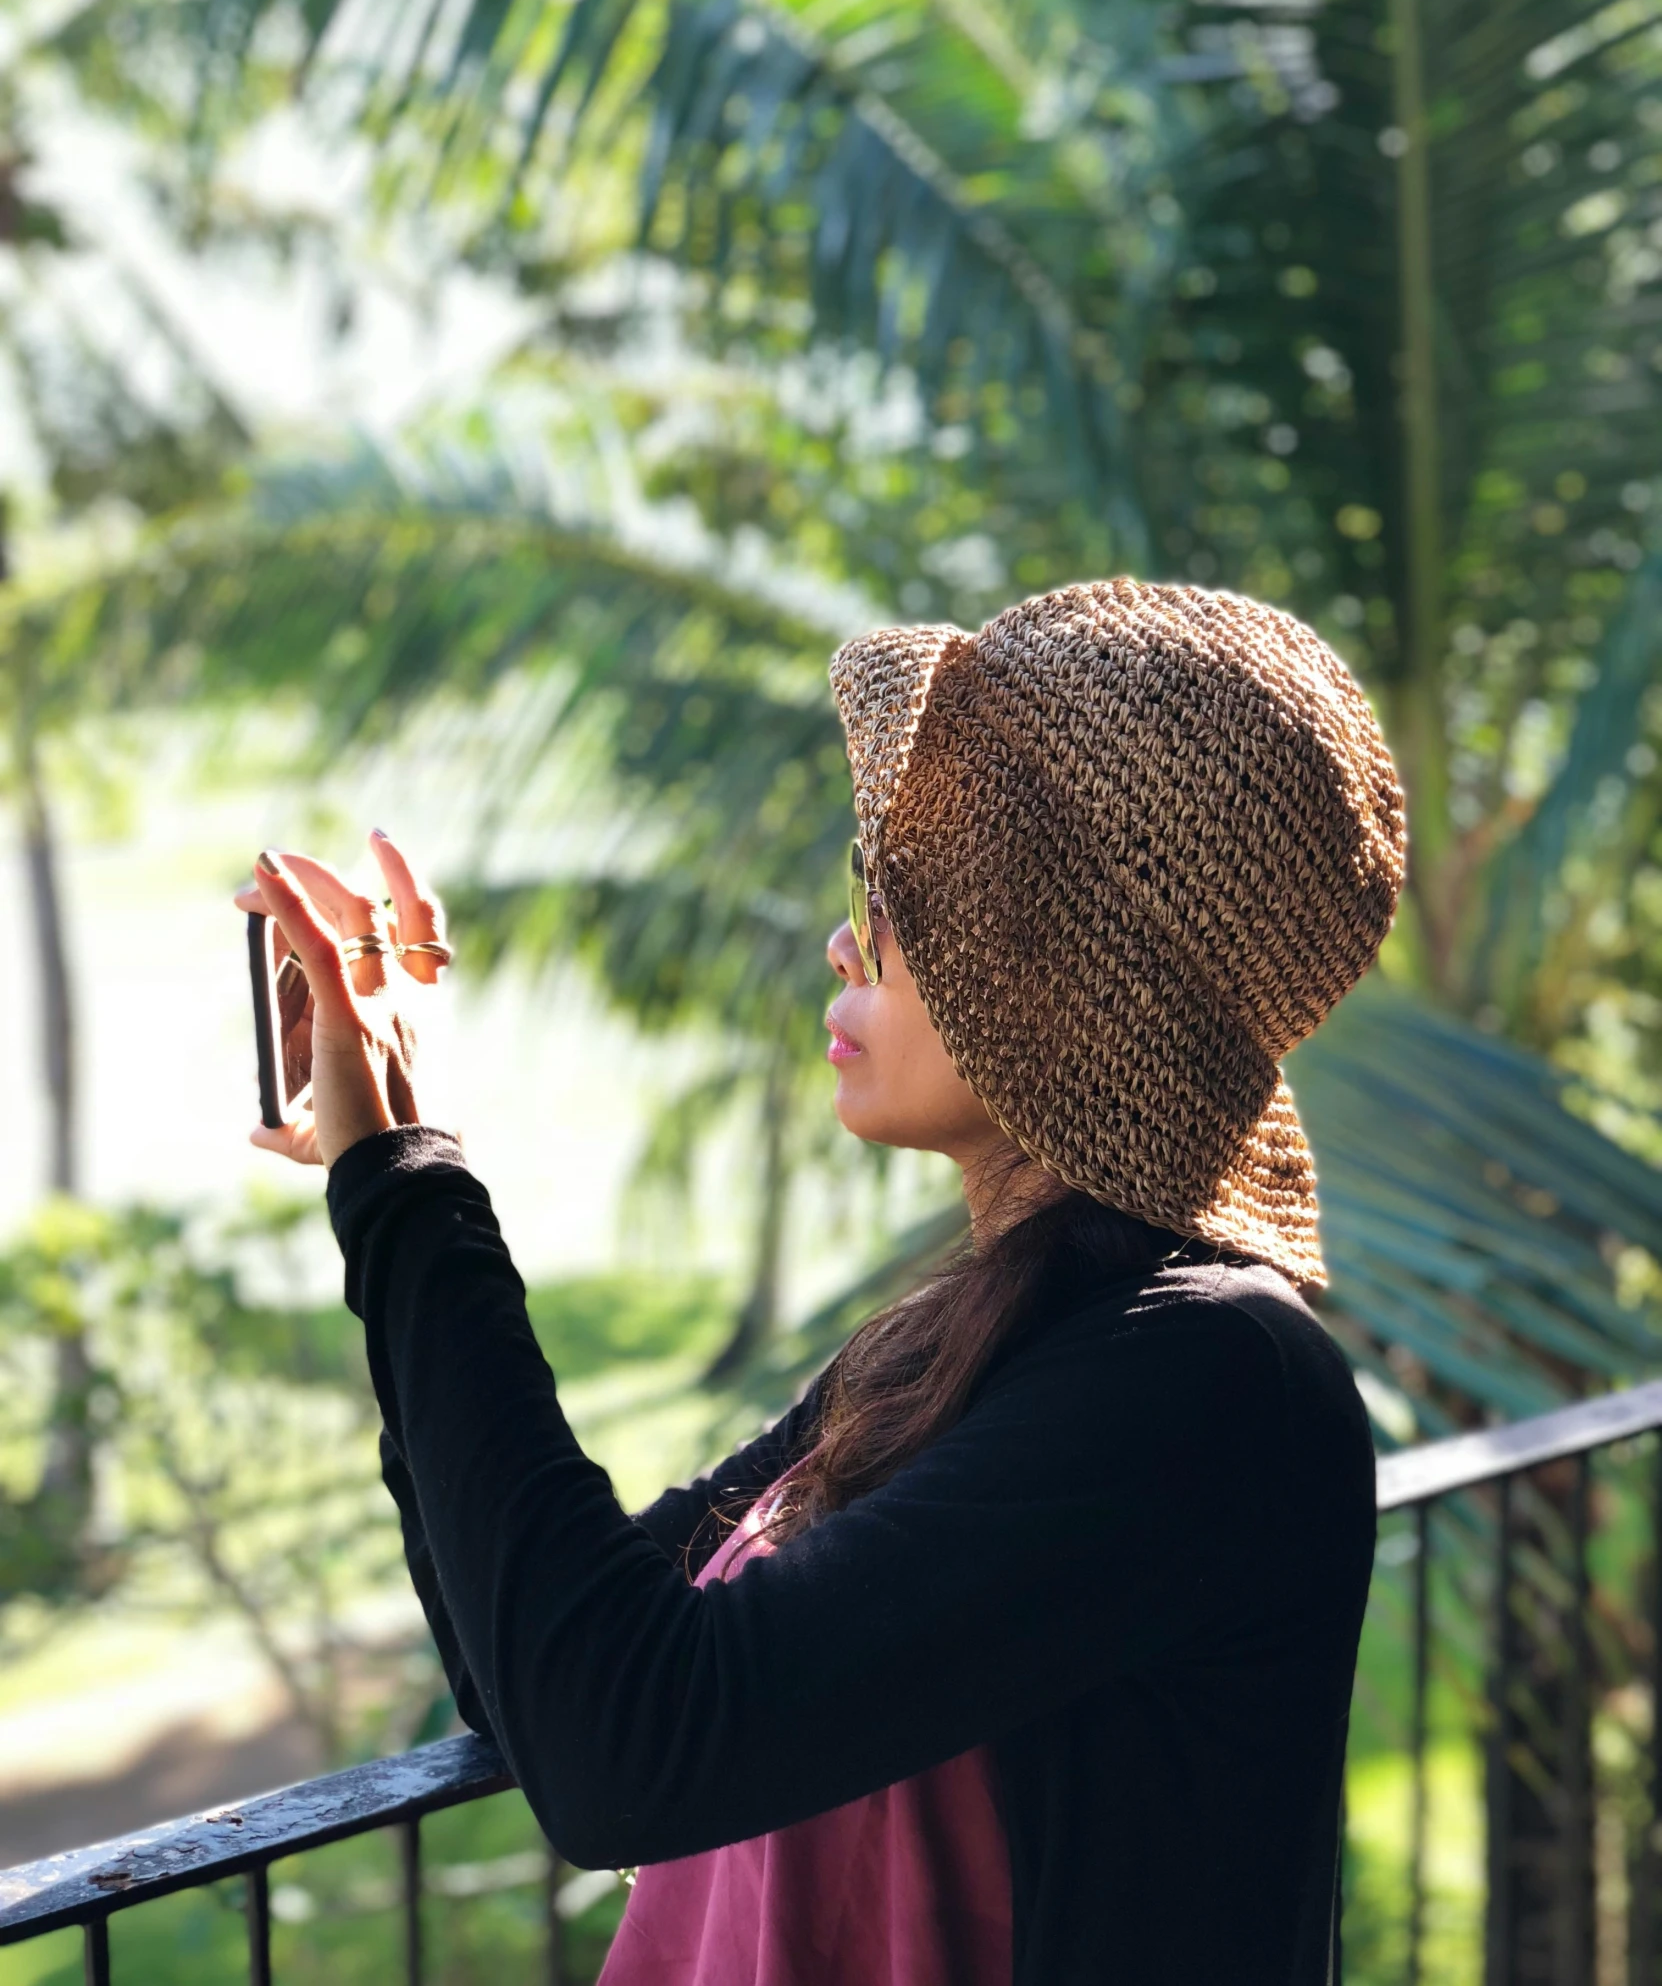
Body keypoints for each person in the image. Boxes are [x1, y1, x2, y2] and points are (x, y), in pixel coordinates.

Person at [239, 578, 1405, 1986]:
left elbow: (631, 1753)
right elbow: (531, 1680)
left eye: (899, 899)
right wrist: (398, 1156)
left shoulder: (1210, 1381)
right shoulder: (970, 1343)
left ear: (1048, 968)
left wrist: (408, 1196)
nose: (849, 937)